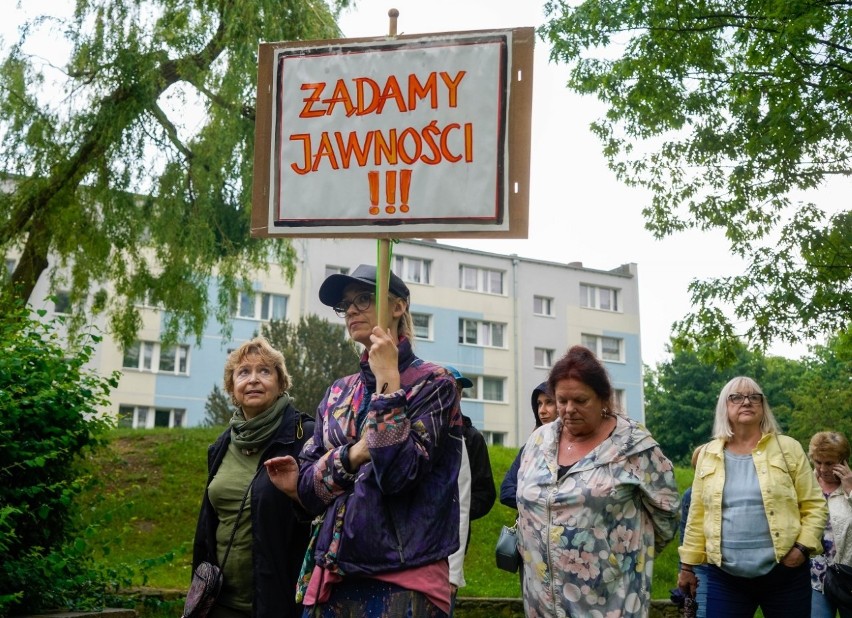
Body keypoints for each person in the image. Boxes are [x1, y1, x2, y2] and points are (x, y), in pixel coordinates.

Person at [266, 264, 463, 618]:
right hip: (334, 571)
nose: (352, 310)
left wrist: (388, 380)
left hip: (405, 579)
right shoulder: (339, 392)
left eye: (363, 298)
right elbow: (309, 489)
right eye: (345, 304)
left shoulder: (435, 384)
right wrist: (354, 454)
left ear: (398, 306)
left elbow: (398, 475)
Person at [516, 345, 680, 617]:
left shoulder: (634, 446)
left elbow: (667, 511)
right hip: (541, 600)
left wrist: (622, 558)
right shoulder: (538, 441)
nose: (569, 409)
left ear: (604, 400)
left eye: (581, 401)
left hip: (609, 600)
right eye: (561, 400)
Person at [678, 376, 827, 618]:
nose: (746, 402)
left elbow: (814, 505)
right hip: (724, 576)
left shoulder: (788, 448)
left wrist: (801, 548)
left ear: (763, 406)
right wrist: (687, 567)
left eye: (754, 397)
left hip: (785, 573)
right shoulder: (708, 453)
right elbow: (697, 515)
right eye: (736, 397)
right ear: (724, 407)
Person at [191, 336, 314, 618]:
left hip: (278, 602)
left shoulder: (305, 436)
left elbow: (321, 511)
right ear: (232, 388)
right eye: (244, 372)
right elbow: (207, 526)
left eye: (265, 371)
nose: (254, 379)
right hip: (218, 603)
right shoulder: (222, 444)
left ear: (281, 383)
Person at [443, 365, 495, 615]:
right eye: (451, 388)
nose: (455, 395)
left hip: (454, 539)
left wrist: (457, 511)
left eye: (459, 390)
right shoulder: (421, 431)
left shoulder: (471, 438)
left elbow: (485, 493)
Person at [808, 431, 852, 618]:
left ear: (843, 461)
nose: (823, 468)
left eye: (829, 463)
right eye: (818, 462)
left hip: (848, 576)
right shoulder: (806, 485)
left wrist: (850, 489)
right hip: (815, 576)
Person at [499, 382, 557, 510]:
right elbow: (506, 491)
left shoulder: (577, 448)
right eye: (539, 404)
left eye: (549, 402)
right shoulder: (531, 447)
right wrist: (541, 509)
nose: (542, 411)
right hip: (529, 527)